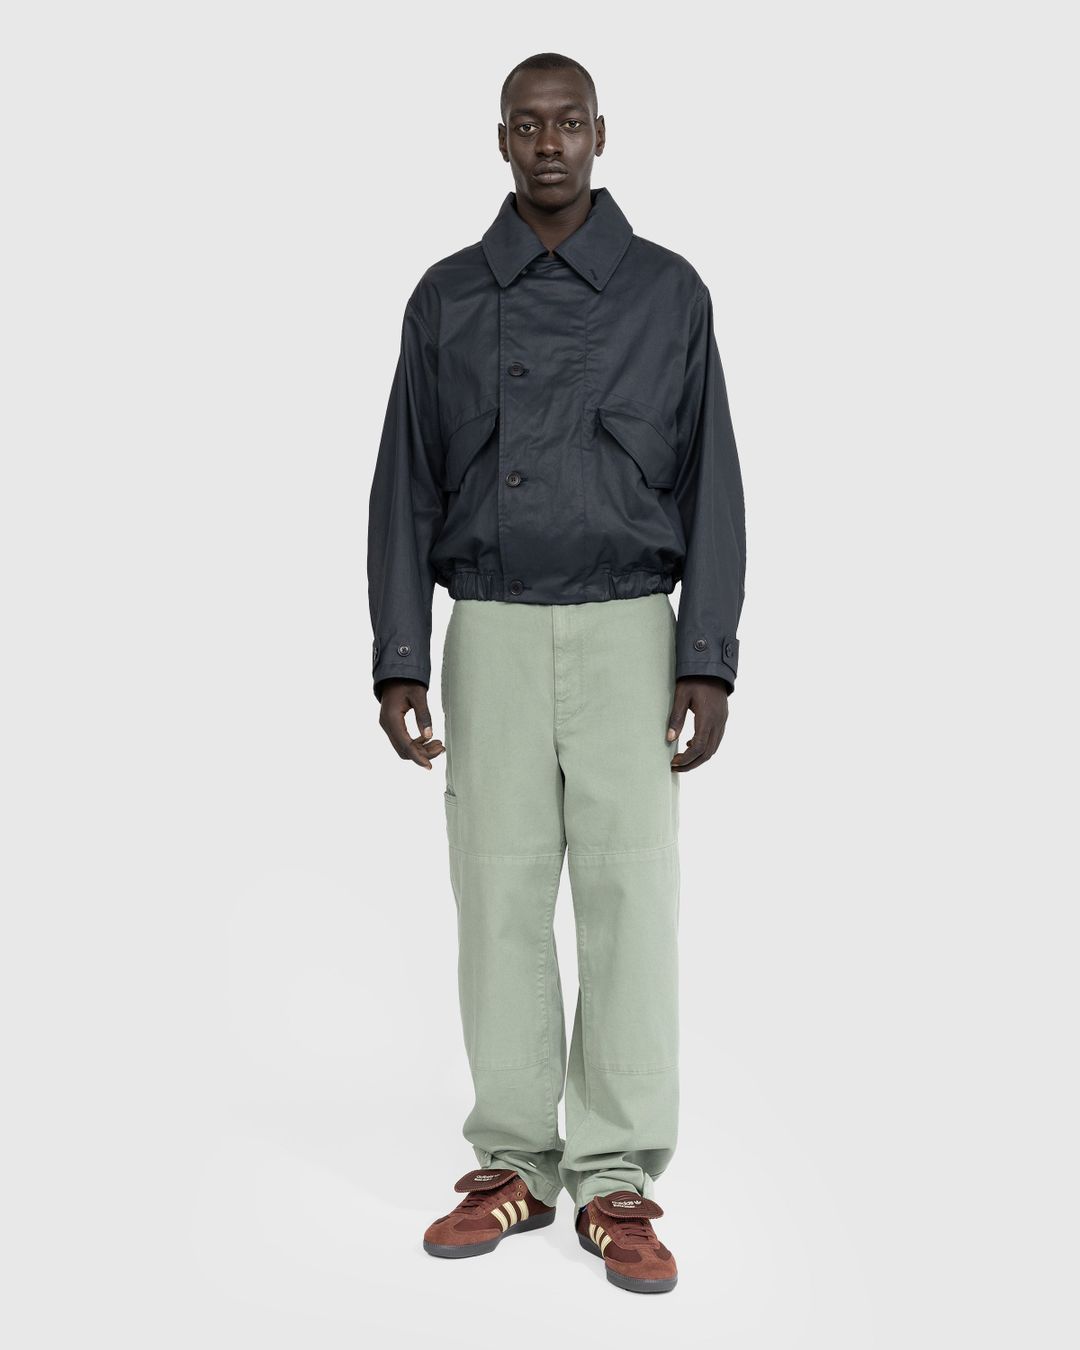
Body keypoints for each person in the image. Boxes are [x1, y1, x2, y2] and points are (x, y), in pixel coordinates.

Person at [366, 51, 746, 1295]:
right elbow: (405, 485)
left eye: (567, 122)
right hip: (491, 630)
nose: (547, 143)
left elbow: (714, 482)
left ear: (599, 134)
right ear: (500, 141)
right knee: (498, 899)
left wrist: (706, 657)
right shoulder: (446, 297)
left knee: (634, 902)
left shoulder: (667, 292)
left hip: (633, 628)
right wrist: (401, 656)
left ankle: (618, 1175)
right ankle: (516, 1163)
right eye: (526, 125)